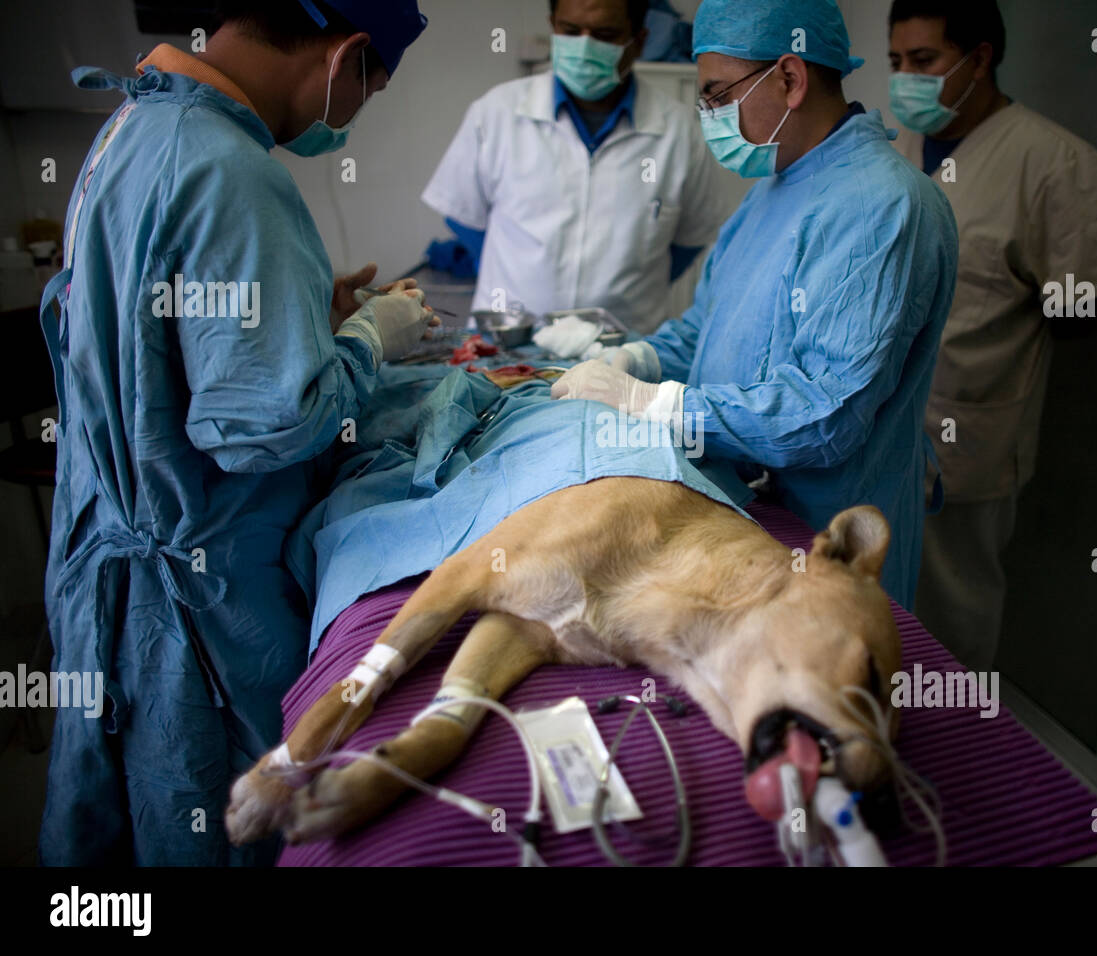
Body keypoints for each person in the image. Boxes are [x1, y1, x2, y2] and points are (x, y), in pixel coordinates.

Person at [39, 0, 430, 865]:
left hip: (109, 555)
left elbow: (157, 350)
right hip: (198, 598)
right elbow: (267, 428)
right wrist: (373, 339)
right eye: (372, 89)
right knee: (208, 830)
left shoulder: (135, 125)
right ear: (348, 57)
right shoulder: (232, 169)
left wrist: (301, 325)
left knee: (115, 854)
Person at [552, 0, 959, 611]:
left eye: (717, 94)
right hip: (746, 524)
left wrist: (656, 404)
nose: (708, 113)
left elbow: (828, 415)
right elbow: (704, 330)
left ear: (790, 79)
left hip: (831, 548)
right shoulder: (772, 193)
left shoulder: (885, 206)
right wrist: (635, 359)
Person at [887, 0, 1097, 669]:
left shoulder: (1056, 164)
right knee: (873, 612)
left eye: (925, 61)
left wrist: (1004, 312)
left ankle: (967, 762)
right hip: (876, 427)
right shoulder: (894, 147)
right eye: (896, 62)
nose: (905, 77)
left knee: (948, 620)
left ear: (980, 59)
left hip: (967, 436)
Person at [420, 0, 733, 334]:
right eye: (570, 31)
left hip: (621, 346)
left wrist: (624, 289)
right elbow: (462, 213)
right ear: (553, 25)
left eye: (605, 34)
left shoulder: (678, 131)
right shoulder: (497, 112)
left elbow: (691, 239)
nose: (584, 46)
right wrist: (520, 277)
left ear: (639, 40)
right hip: (510, 341)